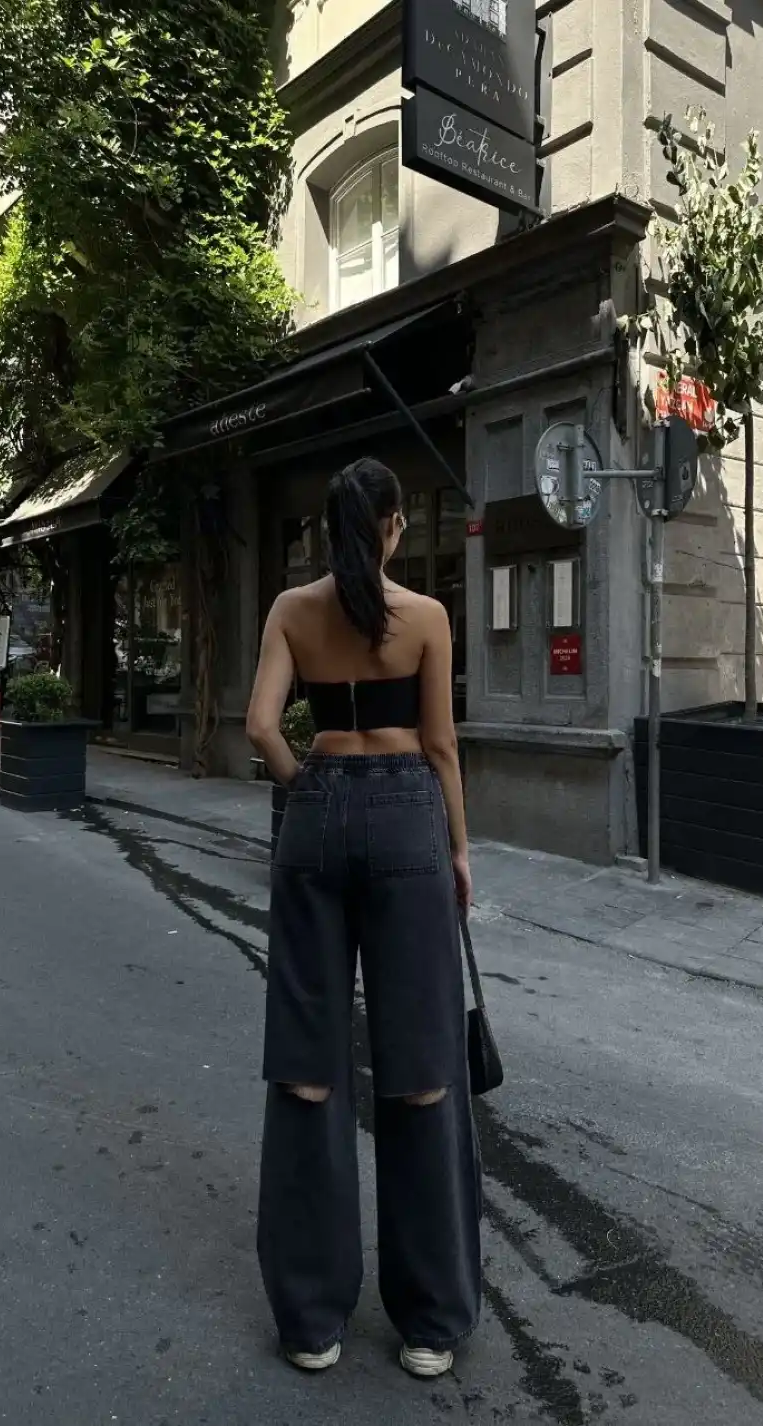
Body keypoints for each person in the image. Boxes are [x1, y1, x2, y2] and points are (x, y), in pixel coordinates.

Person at [246, 457, 481, 1380]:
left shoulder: (290, 610)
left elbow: (262, 726)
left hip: (317, 815)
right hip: (408, 820)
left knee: (308, 1062)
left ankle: (311, 1321)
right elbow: (440, 745)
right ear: (392, 526)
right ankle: (428, 1322)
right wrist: (458, 850)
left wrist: (308, 791)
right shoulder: (425, 616)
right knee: (421, 1064)